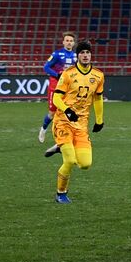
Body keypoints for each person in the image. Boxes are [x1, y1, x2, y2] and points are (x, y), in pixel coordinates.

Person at [43, 40, 104, 203]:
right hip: (63, 121)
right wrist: (68, 111)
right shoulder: (68, 73)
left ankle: (59, 147)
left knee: (85, 164)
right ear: (77, 56)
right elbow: (56, 97)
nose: (85, 55)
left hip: (81, 126)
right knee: (70, 160)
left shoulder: (98, 75)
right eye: (82, 53)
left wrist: (99, 120)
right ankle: (60, 193)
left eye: (88, 53)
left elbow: (98, 98)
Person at [39, 32, 77, 142]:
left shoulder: (76, 56)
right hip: (55, 86)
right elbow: (46, 67)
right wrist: (57, 75)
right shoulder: (56, 54)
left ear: (73, 43)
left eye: (71, 41)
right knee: (52, 113)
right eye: (67, 40)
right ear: (63, 42)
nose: (69, 42)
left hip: (69, 88)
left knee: (70, 110)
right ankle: (43, 129)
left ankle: (68, 135)